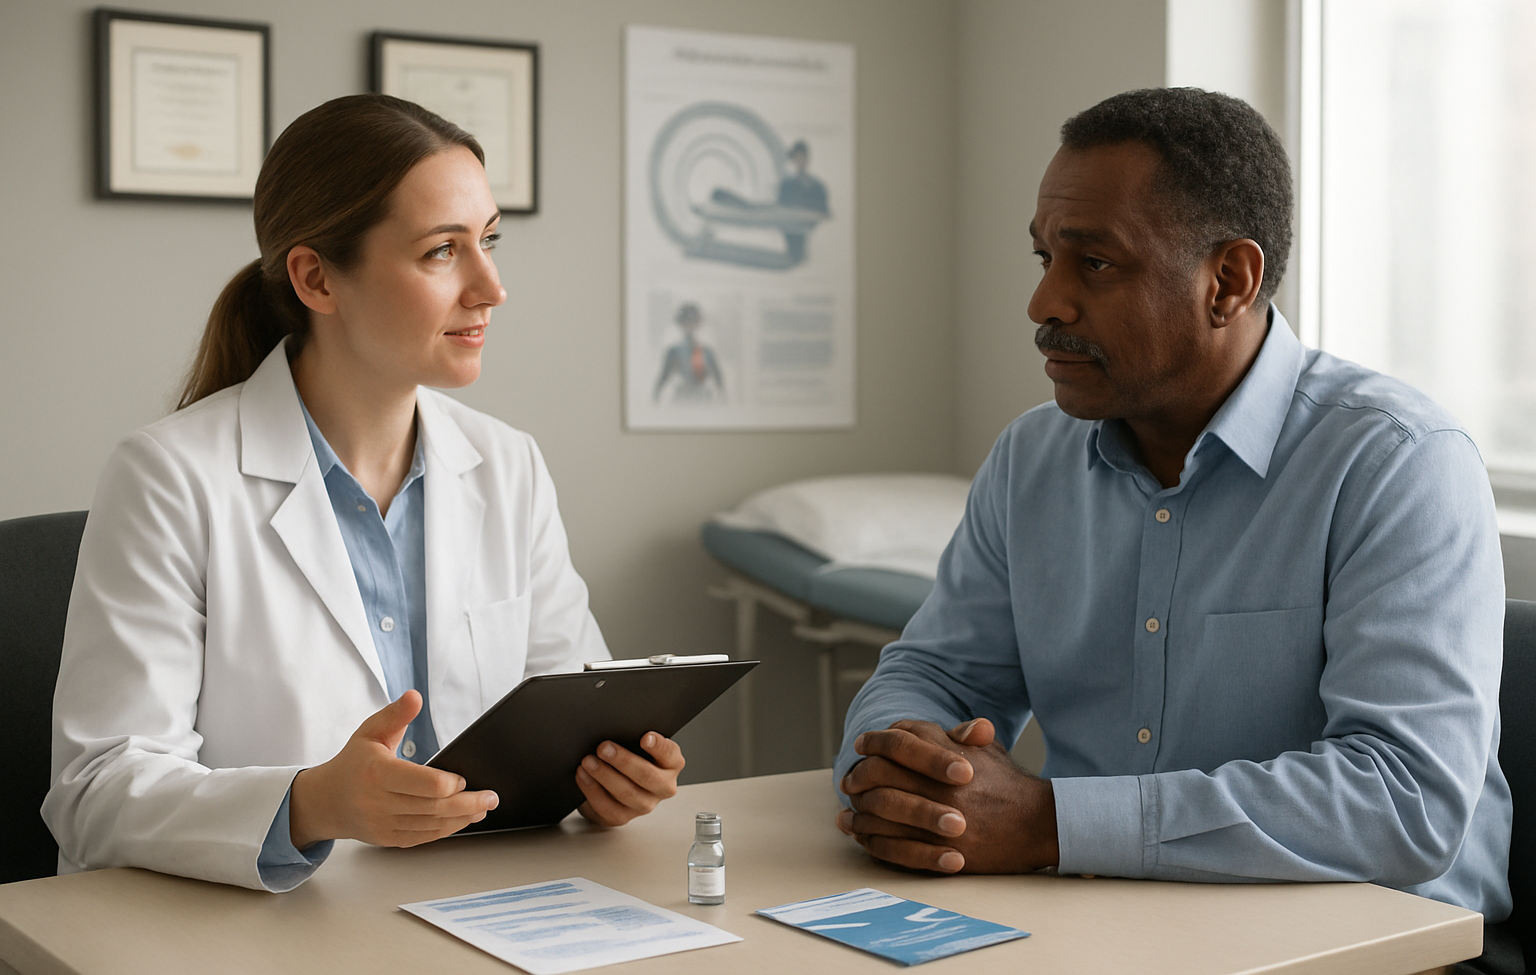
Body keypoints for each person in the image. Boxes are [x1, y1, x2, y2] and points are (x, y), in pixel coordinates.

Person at [834, 88, 1515, 965]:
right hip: (1106, 926)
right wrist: (909, 768)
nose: (1045, 300)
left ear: (1228, 280)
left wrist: (1049, 821)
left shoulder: (1398, 462)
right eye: (1044, 257)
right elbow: (934, 674)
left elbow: (1404, 802)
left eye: (1096, 265)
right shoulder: (1030, 459)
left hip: (1371, 948)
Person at [44, 94, 685, 893]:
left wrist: (611, 782)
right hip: (267, 927)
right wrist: (308, 804)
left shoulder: (507, 464)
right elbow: (95, 792)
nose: (491, 287)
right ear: (316, 277)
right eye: (441, 253)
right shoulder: (169, 476)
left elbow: (572, 706)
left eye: (488, 241)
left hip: (476, 905)